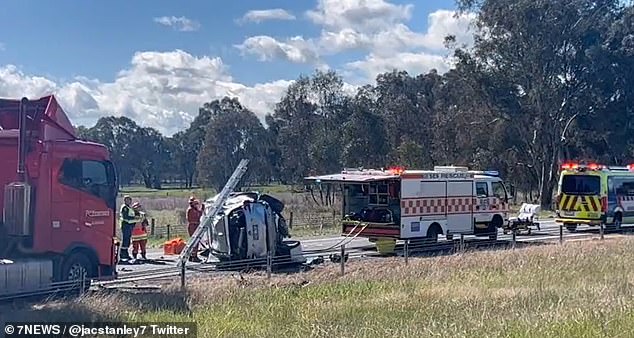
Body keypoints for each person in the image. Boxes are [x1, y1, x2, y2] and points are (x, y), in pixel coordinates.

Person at [186, 197, 203, 262]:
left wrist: (202, 209)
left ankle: (192, 255)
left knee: (196, 241)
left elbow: (200, 214)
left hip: (195, 226)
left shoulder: (195, 209)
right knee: (194, 242)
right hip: (193, 226)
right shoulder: (190, 210)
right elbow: (193, 218)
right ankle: (193, 256)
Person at [119, 195, 136, 260]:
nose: (128, 201)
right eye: (127, 200)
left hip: (129, 225)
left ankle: (125, 253)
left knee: (127, 240)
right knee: (125, 240)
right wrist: (135, 218)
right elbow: (126, 217)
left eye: (129, 200)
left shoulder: (129, 207)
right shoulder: (124, 207)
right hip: (125, 225)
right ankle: (123, 254)